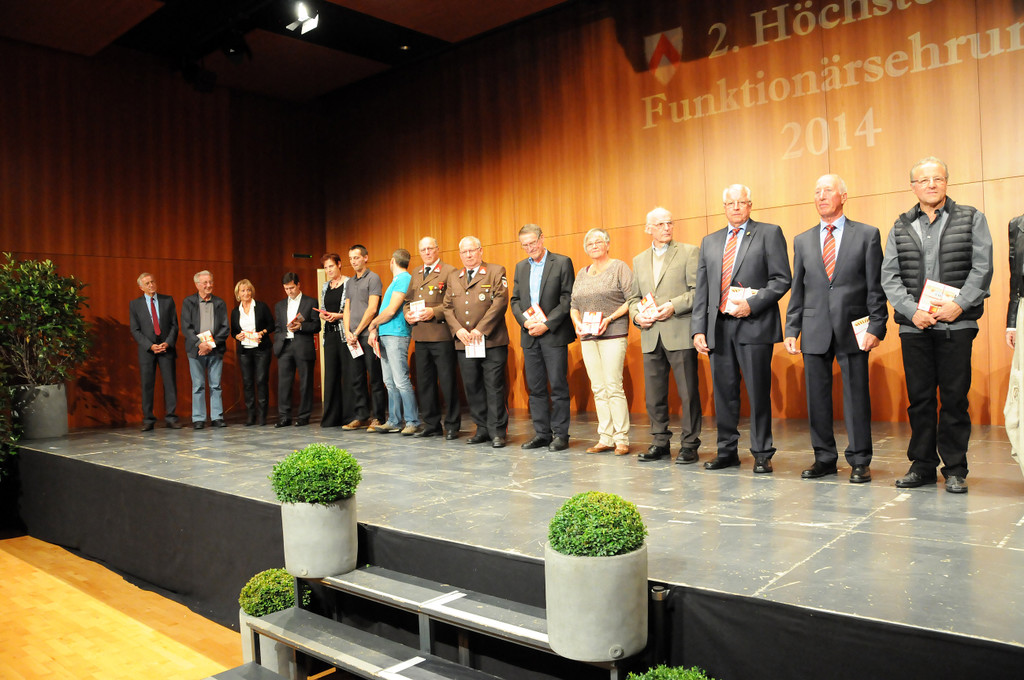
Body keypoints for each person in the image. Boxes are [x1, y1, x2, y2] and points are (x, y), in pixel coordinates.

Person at [881, 156, 993, 494]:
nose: (931, 184)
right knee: (920, 399)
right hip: (914, 327)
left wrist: (959, 304)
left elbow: (982, 268)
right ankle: (922, 466)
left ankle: (955, 469)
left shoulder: (971, 218)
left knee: (955, 399)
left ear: (946, 182)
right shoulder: (900, 225)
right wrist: (910, 310)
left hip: (956, 325)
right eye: (924, 180)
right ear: (913, 187)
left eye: (938, 178)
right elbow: (890, 276)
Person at [784, 175, 887, 483]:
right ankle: (824, 458)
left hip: (854, 328)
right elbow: (798, 289)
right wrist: (792, 328)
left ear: (843, 196)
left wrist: (877, 325)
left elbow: (876, 286)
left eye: (827, 190)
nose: (821, 196)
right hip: (814, 327)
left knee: (856, 396)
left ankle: (860, 460)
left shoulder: (867, 235)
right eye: (817, 192)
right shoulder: (802, 240)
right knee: (816, 398)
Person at [692, 185, 791, 473]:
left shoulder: (769, 233)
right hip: (719, 326)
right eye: (730, 203)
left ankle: (762, 452)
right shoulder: (709, 241)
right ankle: (727, 451)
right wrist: (698, 328)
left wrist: (752, 304)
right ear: (724, 207)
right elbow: (702, 289)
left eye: (741, 202)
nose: (736, 207)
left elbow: (782, 279)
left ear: (750, 205)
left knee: (758, 392)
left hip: (754, 324)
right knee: (724, 393)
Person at [627, 207, 702, 463]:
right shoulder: (639, 260)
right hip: (651, 334)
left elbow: (698, 291)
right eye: (660, 224)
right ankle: (659, 442)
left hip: (679, 331)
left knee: (688, 393)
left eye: (669, 223)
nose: (667, 228)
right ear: (648, 228)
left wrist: (673, 305)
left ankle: (690, 444)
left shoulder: (689, 252)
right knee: (654, 395)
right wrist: (637, 316)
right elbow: (633, 298)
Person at [510, 224, 576, 452]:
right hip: (530, 334)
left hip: (553, 334)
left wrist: (546, 324)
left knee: (558, 386)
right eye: (525, 245)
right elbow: (515, 301)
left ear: (542, 239)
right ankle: (542, 433)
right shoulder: (520, 267)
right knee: (535, 388)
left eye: (532, 243)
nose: (530, 248)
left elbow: (567, 298)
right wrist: (525, 322)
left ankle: (561, 435)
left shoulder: (562, 262)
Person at [569, 229, 634, 455]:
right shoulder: (582, 273)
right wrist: (577, 322)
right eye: (590, 243)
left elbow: (632, 299)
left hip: (613, 333)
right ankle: (605, 437)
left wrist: (610, 318)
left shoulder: (619, 267)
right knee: (598, 387)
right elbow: (574, 305)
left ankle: (621, 438)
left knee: (613, 386)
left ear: (607, 244)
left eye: (598, 241)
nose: (594, 245)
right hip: (588, 336)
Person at [443, 236, 510, 448]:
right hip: (465, 342)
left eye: (472, 250)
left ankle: (497, 431)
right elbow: (447, 307)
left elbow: (500, 302)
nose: (468, 255)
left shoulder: (495, 271)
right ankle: (481, 429)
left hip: (491, 341)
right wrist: (458, 330)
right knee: (472, 387)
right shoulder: (454, 276)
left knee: (494, 387)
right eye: (464, 252)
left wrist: (480, 329)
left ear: (480, 251)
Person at [404, 237, 461, 439]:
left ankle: (452, 425)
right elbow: (408, 300)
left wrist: (434, 312)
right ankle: (431, 424)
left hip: (441, 335)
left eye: (430, 248)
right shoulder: (416, 272)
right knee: (425, 383)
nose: (427, 252)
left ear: (437, 249)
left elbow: (454, 302)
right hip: (420, 336)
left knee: (447, 382)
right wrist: (407, 314)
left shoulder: (449, 271)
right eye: (423, 249)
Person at [367, 249, 420, 435]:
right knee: (389, 381)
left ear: (392, 261)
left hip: (396, 335)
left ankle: (412, 421)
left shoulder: (404, 279)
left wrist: (373, 323)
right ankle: (394, 420)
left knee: (401, 380)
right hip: (386, 335)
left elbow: (391, 310)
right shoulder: (396, 280)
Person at [342, 245, 388, 431]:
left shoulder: (373, 278)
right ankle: (361, 415)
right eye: (351, 258)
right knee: (357, 378)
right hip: (353, 338)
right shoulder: (349, 282)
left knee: (375, 378)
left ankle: (378, 417)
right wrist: (347, 331)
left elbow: (372, 308)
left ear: (365, 258)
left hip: (368, 336)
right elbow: (347, 308)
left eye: (356, 257)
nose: (353, 261)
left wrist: (357, 331)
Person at [128, 273, 181, 431]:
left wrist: (168, 343)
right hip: (147, 350)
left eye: (152, 282)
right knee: (147, 385)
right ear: (141, 287)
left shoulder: (167, 300)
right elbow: (135, 330)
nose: (151, 285)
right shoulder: (135, 304)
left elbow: (174, 325)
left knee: (170, 384)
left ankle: (171, 417)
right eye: (147, 283)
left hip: (166, 348)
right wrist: (149, 345)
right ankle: (148, 419)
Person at [181, 270, 230, 429]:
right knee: (198, 385)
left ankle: (217, 417)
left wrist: (210, 345)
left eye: (210, 282)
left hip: (215, 349)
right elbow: (186, 327)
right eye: (205, 283)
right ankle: (198, 418)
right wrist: (200, 344)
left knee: (216, 385)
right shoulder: (189, 302)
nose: (209, 285)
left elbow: (225, 328)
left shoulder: (220, 303)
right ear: (197, 285)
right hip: (196, 350)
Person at [273, 272, 321, 427]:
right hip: (285, 346)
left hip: (302, 345)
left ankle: (304, 416)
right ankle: (284, 416)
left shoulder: (310, 302)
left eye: (292, 288)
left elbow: (317, 325)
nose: (289, 291)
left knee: (305, 383)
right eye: (286, 289)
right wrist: (278, 340)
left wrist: (301, 326)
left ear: (299, 285)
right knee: (284, 384)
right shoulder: (279, 305)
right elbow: (278, 327)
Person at [230, 279, 274, 426]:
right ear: (238, 294)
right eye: (243, 291)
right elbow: (233, 331)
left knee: (261, 381)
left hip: (261, 349)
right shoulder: (235, 311)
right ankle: (251, 415)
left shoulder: (261, 307)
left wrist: (263, 332)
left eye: (248, 290)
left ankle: (262, 416)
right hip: (244, 351)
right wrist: (237, 336)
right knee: (248, 383)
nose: (246, 293)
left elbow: (271, 325)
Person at [318, 253, 352, 428]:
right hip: (329, 335)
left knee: (347, 374)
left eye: (331, 266)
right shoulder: (326, 286)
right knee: (331, 376)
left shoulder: (349, 283)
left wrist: (337, 316)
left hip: (344, 335)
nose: (328, 270)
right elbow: (323, 308)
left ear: (339, 264)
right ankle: (331, 417)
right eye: (325, 268)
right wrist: (324, 315)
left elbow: (350, 310)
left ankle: (349, 416)